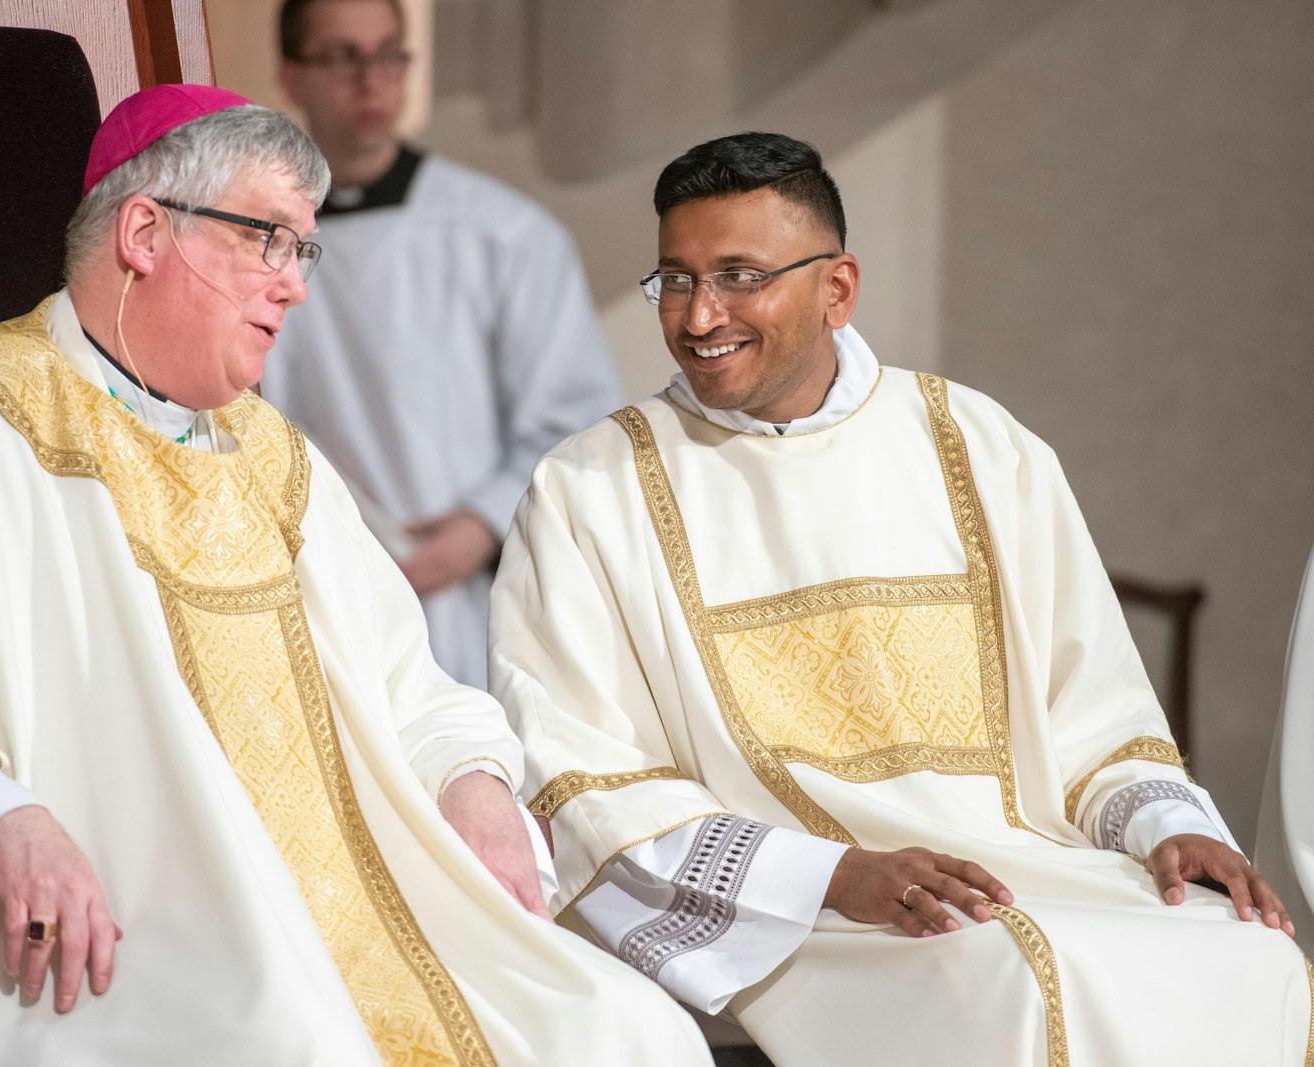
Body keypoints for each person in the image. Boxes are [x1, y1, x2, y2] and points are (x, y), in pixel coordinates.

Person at [0, 85, 714, 1066]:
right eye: (266, 238)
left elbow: (411, 688)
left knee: (632, 1031)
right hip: (122, 934)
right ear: (146, 233)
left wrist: (477, 785)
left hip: (364, 913)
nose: (295, 283)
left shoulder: (273, 458)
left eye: (303, 245)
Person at [488, 131, 1314, 1065]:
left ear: (837, 288)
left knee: (1255, 957)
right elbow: (581, 775)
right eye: (674, 279)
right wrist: (832, 875)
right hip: (796, 913)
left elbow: (1095, 718)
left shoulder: (981, 445)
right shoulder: (591, 488)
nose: (698, 314)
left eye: (738, 275)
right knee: (1013, 978)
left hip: (1028, 864)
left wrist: (1173, 826)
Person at [262, 0, 621, 688]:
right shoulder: (255, 243)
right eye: (341, 56)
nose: (372, 80)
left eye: (389, 54)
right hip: (318, 594)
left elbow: (577, 421)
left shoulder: (502, 233)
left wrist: (479, 527)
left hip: (469, 597)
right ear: (291, 76)